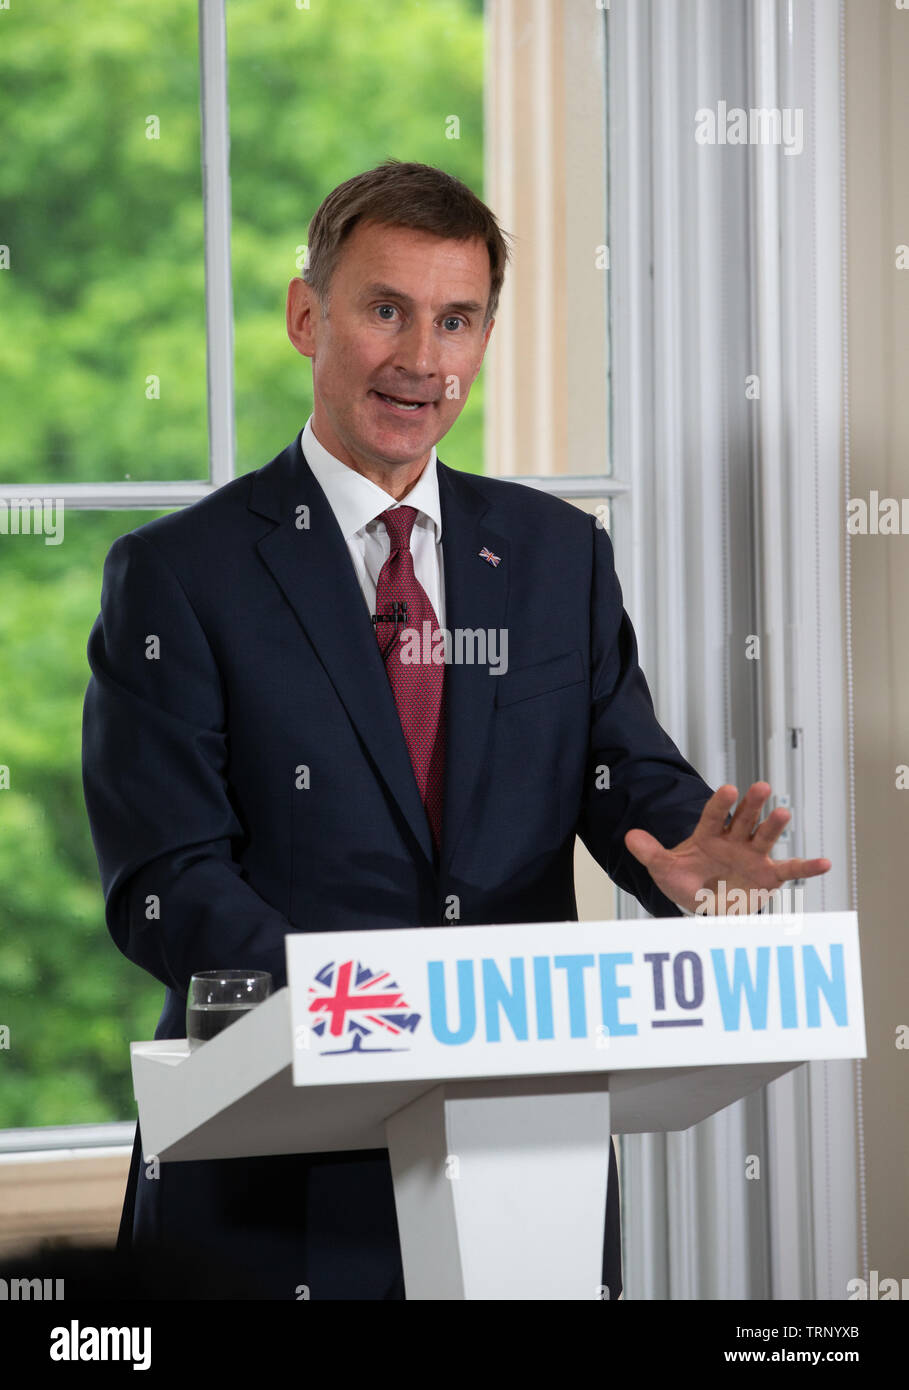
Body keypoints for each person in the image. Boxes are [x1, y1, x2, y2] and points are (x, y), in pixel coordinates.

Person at [82, 159, 831, 1300]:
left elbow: (625, 774)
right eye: (386, 310)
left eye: (457, 319)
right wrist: (370, 1006)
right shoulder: (179, 576)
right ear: (305, 316)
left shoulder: (554, 556)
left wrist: (690, 856)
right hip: (271, 1186)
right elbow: (165, 878)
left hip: (527, 1173)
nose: (422, 359)